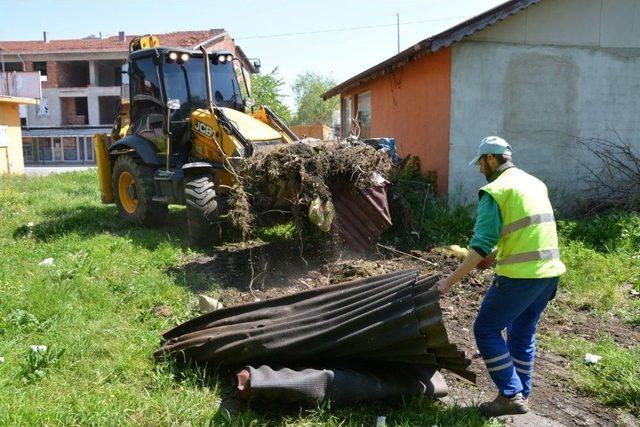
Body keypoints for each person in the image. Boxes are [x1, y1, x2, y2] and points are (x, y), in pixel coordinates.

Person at [435, 136, 566, 417]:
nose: (480, 169)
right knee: (522, 331)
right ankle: (521, 392)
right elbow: (525, 228)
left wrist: (448, 282)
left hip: (519, 278)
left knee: (485, 329)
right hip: (549, 275)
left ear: (491, 159)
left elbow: (479, 244)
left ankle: (510, 394)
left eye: (481, 163)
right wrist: (493, 255)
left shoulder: (495, 190)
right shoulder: (534, 183)